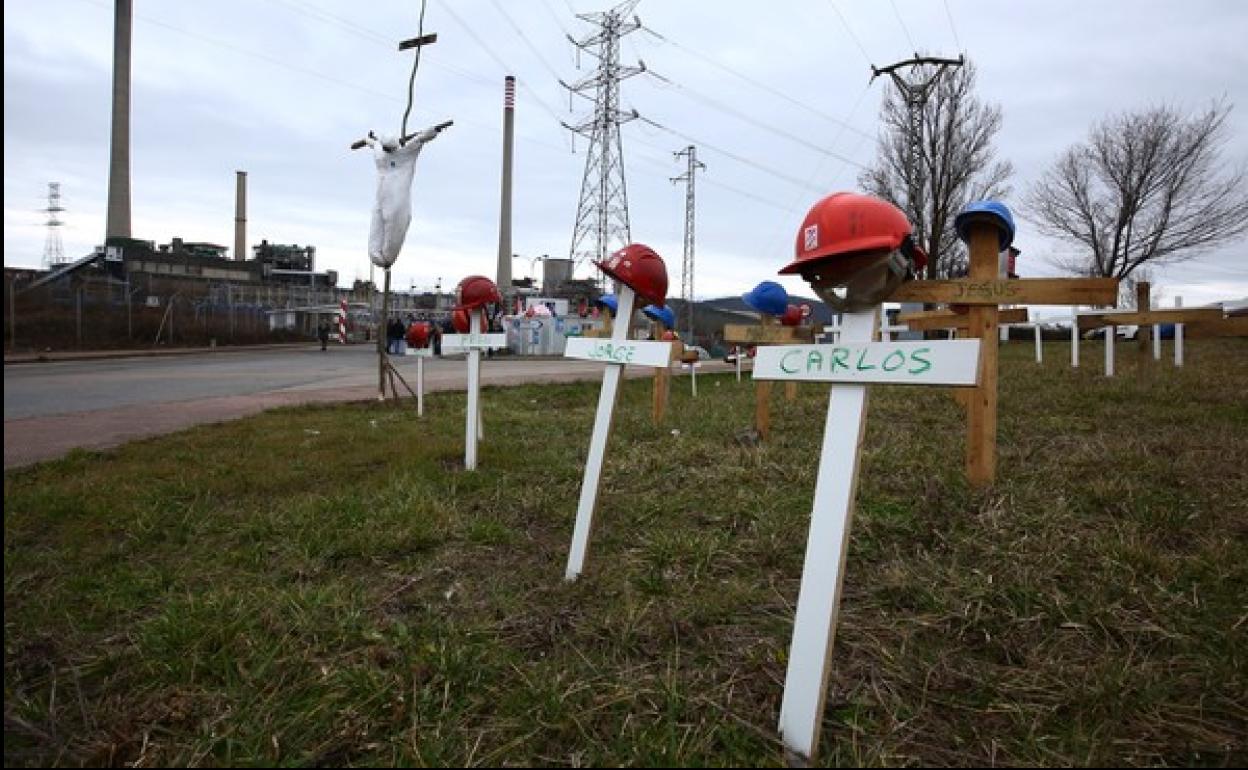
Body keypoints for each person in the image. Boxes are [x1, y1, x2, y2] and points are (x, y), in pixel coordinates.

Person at [363, 125, 447, 270]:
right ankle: (381, 258)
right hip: (385, 200)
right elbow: (420, 138)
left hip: (394, 201)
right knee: (382, 229)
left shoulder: (396, 154)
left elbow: (421, 137)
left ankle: (385, 259)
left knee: (392, 229)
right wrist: (368, 140)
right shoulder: (391, 154)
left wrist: (434, 130)